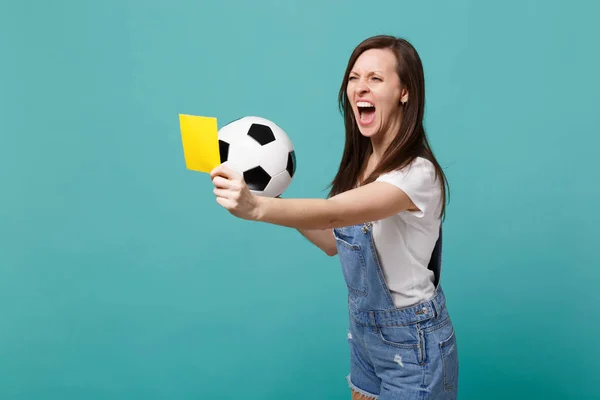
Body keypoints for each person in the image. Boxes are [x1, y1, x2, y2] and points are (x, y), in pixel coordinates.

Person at [210, 35, 459, 400]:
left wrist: (258, 208)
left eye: (375, 78)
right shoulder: (362, 168)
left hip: (412, 342)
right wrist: (273, 193)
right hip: (365, 334)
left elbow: (330, 214)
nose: (360, 87)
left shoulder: (415, 173)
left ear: (404, 91)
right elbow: (332, 240)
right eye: (354, 77)